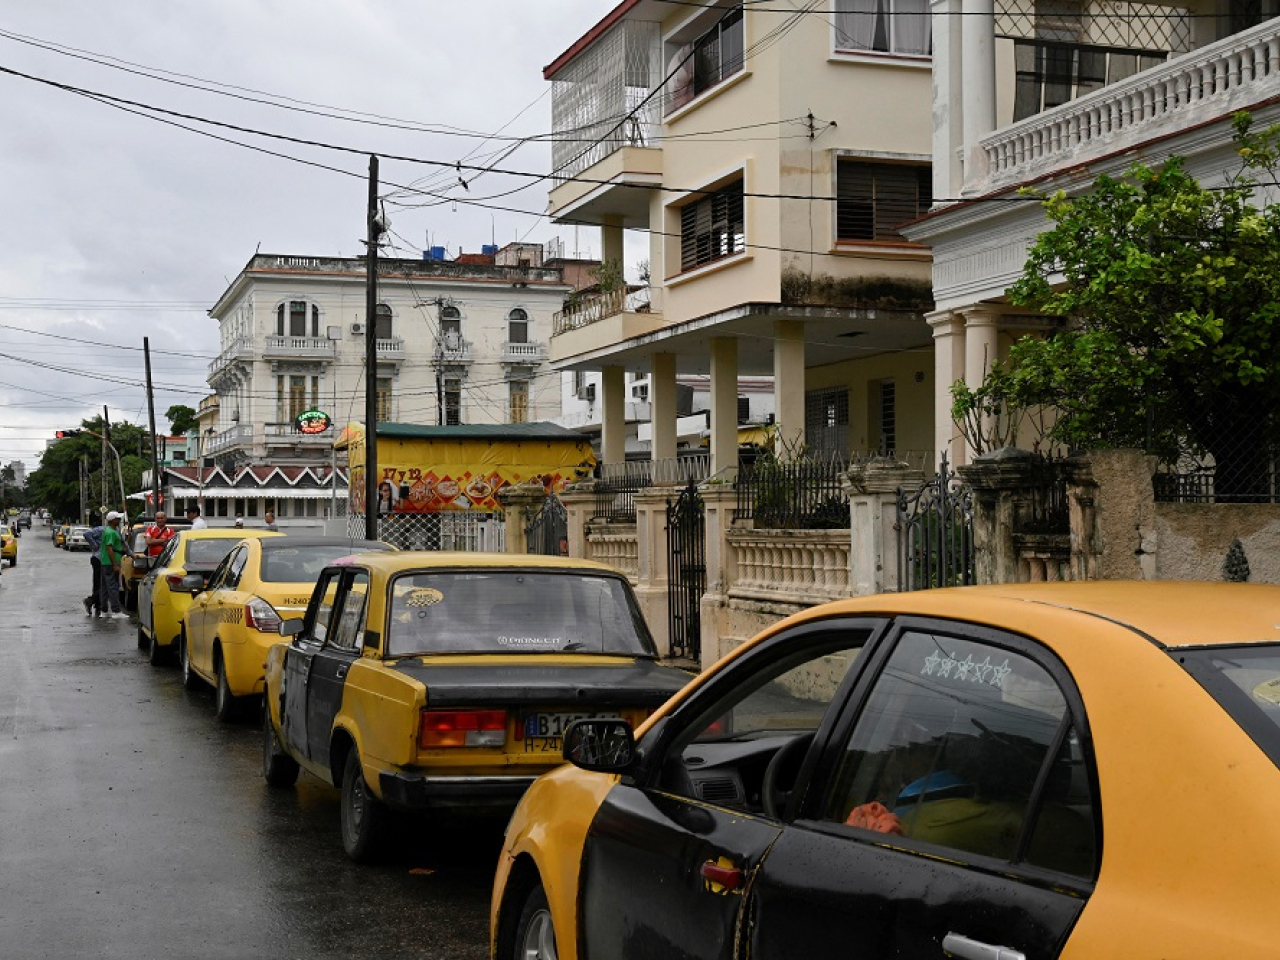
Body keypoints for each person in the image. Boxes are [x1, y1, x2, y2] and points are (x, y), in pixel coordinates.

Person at [97, 511, 127, 619]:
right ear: (113, 520)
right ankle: (116, 610)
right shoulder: (111, 532)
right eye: (118, 519)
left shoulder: (108, 530)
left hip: (105, 562)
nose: (119, 520)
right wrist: (115, 564)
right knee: (113, 587)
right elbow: (109, 548)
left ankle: (104, 610)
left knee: (105, 587)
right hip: (110, 563)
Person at [82, 522, 104, 616]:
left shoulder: (114, 531)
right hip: (100, 559)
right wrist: (94, 545)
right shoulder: (103, 529)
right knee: (103, 584)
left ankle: (96, 604)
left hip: (99, 559)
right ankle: (91, 601)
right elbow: (87, 534)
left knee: (98, 584)